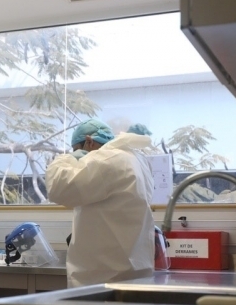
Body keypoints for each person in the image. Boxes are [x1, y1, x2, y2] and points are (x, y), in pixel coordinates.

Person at [46, 118, 155, 287]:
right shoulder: (135, 159)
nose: (79, 158)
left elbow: (57, 187)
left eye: (76, 150)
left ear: (89, 142)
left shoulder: (106, 159)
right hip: (134, 271)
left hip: (104, 277)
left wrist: (66, 159)